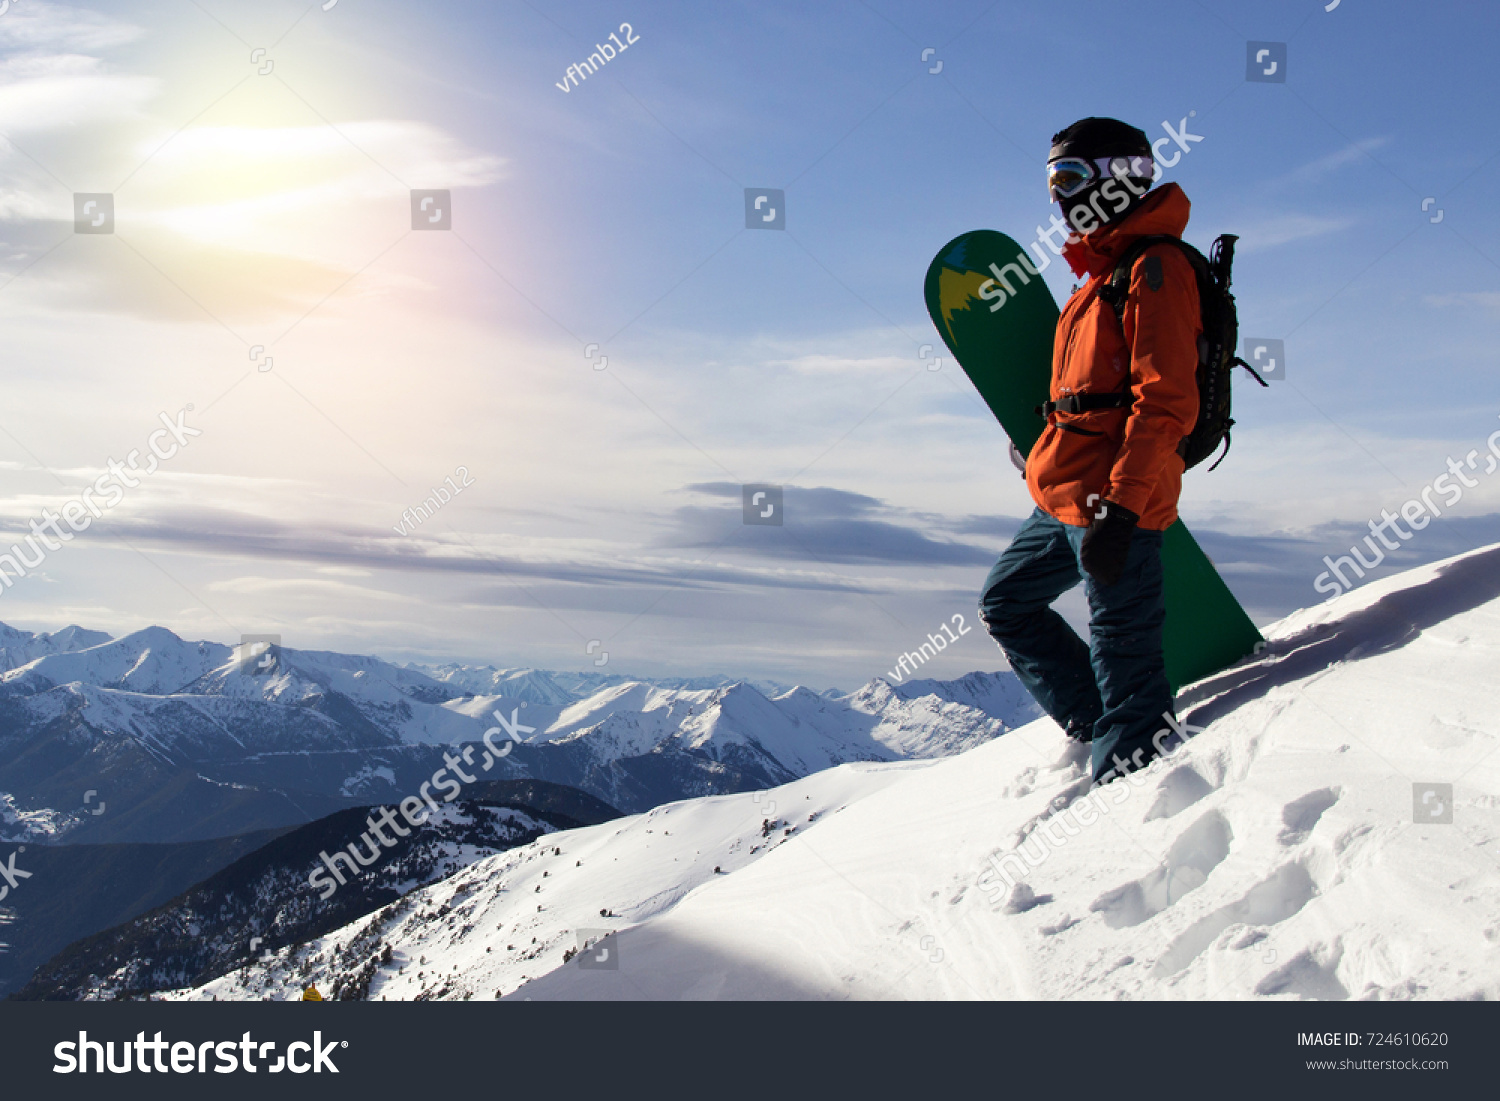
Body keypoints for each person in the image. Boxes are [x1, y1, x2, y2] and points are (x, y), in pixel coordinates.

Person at [978, 117, 1201, 785]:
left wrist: (1123, 510)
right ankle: (1097, 727)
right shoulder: (1098, 277)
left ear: (1120, 178)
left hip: (1115, 504)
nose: (1059, 196)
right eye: (1053, 180)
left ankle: (1134, 787)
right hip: (1066, 496)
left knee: (1127, 667)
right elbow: (1086, 397)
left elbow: (1164, 404)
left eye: (1071, 177)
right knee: (1007, 603)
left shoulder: (1156, 268)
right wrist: (1044, 447)